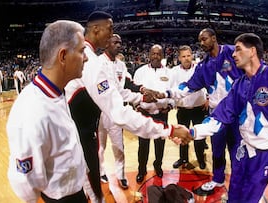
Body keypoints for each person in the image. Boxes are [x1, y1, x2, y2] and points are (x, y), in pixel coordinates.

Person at [64, 11, 192, 202]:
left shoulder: (91, 58)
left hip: (85, 128)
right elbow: (119, 112)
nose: (112, 34)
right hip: (81, 134)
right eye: (110, 29)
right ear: (96, 29)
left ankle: (119, 176)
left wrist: (141, 95)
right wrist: (170, 129)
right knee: (93, 192)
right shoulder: (91, 62)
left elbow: (119, 91)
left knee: (91, 183)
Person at [189, 33, 268, 202]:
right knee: (234, 192)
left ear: (252, 51)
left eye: (239, 50)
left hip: (266, 152)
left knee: (249, 198)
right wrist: (193, 132)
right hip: (243, 148)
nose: (233, 54)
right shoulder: (239, 84)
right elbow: (221, 115)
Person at [6, 20, 89, 203]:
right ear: (63, 56)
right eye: (82, 51)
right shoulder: (31, 111)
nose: (86, 57)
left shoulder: (57, 90)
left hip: (74, 191)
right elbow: (25, 183)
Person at [159, 28, 243, 192]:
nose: (202, 43)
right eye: (200, 40)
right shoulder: (204, 66)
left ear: (214, 38)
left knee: (237, 151)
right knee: (217, 150)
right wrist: (166, 93)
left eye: (204, 39)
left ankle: (237, 184)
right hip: (216, 114)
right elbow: (188, 87)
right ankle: (218, 179)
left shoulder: (232, 52)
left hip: (237, 114)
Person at [97, 34, 146, 189]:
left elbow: (128, 84)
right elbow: (112, 90)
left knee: (119, 146)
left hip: (116, 111)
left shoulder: (121, 65)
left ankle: (121, 175)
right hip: (99, 112)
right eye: (115, 42)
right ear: (106, 44)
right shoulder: (97, 63)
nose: (119, 45)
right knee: (100, 147)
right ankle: (100, 171)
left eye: (120, 42)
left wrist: (142, 90)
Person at [133, 44, 175, 183]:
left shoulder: (170, 73)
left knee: (160, 143)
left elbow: (174, 94)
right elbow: (134, 92)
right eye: (153, 53)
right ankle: (141, 169)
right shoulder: (140, 71)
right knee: (143, 144)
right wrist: (137, 106)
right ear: (149, 55)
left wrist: (169, 106)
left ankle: (158, 166)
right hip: (144, 114)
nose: (156, 56)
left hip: (162, 114)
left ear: (162, 56)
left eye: (158, 54)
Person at [171, 45, 208, 170]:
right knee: (182, 136)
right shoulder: (174, 71)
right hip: (183, 110)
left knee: (199, 136)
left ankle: (200, 159)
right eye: (183, 56)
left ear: (192, 56)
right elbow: (172, 89)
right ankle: (183, 158)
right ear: (179, 58)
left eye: (188, 55)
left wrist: (208, 98)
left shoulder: (199, 68)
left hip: (199, 108)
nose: (186, 58)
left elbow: (209, 84)